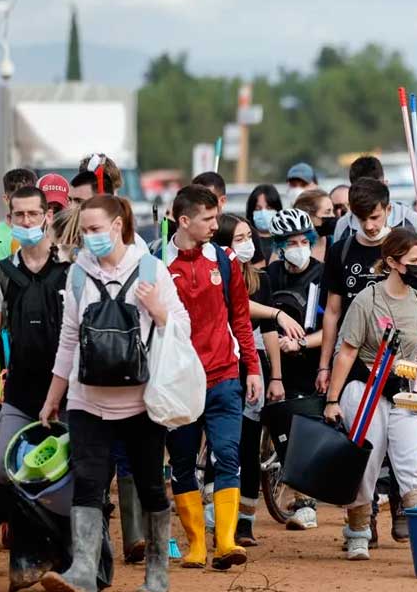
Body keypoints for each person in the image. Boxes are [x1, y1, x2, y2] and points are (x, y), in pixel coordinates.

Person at [38, 194, 188, 592]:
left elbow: (183, 327)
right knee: (88, 483)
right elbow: (68, 340)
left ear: (118, 226)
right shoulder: (77, 273)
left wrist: (158, 309)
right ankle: (84, 572)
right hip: (86, 399)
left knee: (150, 486)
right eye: (85, 231)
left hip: (141, 402)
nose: (89, 237)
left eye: (95, 229)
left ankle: (157, 575)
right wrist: (53, 397)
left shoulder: (151, 269)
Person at [164, 185, 263, 571]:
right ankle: (194, 546)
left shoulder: (225, 259)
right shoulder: (157, 264)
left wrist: (252, 368)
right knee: (182, 463)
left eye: (215, 217)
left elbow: (240, 317)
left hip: (224, 376)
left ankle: (225, 541)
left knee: (228, 456)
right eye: (207, 219)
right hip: (179, 382)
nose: (214, 225)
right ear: (183, 220)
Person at [323, 228, 417, 561]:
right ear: (393, 262)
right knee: (366, 465)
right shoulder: (366, 300)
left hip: (405, 392)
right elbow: (347, 352)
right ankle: (358, 531)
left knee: (413, 464)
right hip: (366, 389)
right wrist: (332, 400)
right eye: (414, 261)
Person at [317, 177, 406, 543]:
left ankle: (400, 503)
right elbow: (332, 312)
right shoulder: (341, 251)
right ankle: (363, 514)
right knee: (362, 439)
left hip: (399, 359)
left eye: (375, 216)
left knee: (401, 440)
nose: (369, 225)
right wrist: (325, 365)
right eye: (361, 218)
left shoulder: (404, 247)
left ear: (388, 210)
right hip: (354, 359)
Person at [0, 186, 69, 483]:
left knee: (80, 467)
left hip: (69, 395)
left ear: (48, 216)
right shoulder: (1, 274)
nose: (27, 221)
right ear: (10, 219)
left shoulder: (71, 268)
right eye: (19, 215)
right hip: (20, 394)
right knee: (0, 465)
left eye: (33, 213)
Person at [210, 214, 284, 546]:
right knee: (222, 445)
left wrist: (276, 376)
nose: (247, 244)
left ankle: (246, 521)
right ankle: (215, 517)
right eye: (238, 239)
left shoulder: (260, 279)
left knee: (249, 445)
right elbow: (237, 308)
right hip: (220, 362)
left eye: (248, 237)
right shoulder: (215, 274)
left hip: (252, 364)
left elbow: (268, 331)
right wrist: (276, 312)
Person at [266, 208, 326, 529]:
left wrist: (301, 344)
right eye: (291, 243)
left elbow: (332, 327)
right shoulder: (270, 275)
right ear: (279, 246)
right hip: (273, 363)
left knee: (305, 431)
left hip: (310, 363)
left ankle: (306, 503)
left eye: (305, 241)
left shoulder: (322, 275)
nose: (299, 248)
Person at [333, 156, 417, 241]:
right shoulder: (344, 225)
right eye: (362, 219)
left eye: (374, 217)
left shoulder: (410, 219)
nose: (369, 227)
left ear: (385, 185)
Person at [0, 169, 37, 282]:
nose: (23, 204)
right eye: (18, 198)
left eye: (28, 198)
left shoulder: (44, 236)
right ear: (6, 199)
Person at [293, 188, 336, 262]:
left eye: (332, 211)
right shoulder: (288, 245)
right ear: (308, 216)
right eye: (327, 212)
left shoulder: (334, 242)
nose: (333, 216)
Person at [246, 184, 284, 262]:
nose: (263, 213)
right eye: (258, 208)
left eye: (269, 208)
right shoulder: (246, 241)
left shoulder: (285, 241)